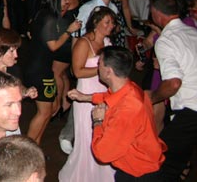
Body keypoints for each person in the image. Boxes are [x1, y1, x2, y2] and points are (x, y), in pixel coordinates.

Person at [68, 46, 165, 181]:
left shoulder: (126, 111)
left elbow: (103, 154)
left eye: (99, 64)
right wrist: (84, 97)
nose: (97, 67)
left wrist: (97, 121)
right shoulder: (131, 87)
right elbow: (110, 97)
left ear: (108, 72)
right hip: (142, 163)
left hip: (137, 172)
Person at [149, 0, 197, 181]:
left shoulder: (166, 40)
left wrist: (152, 97)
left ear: (156, 13)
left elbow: (174, 83)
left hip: (193, 109)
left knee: (163, 164)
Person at [58, 7, 117, 182]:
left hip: (105, 93)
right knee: (87, 136)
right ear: (96, 22)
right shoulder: (84, 43)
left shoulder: (107, 42)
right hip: (86, 95)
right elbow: (77, 71)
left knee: (105, 134)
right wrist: (101, 71)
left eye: (112, 23)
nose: (111, 26)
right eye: (107, 22)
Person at [25, 0, 82, 144]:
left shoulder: (44, 14)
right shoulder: (48, 17)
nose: (67, 1)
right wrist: (69, 31)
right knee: (44, 112)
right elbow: (53, 46)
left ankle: (35, 147)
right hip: (39, 70)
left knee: (51, 109)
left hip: (41, 68)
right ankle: (26, 150)